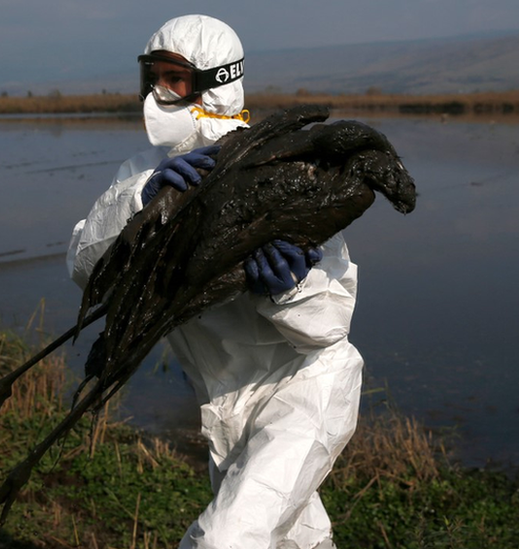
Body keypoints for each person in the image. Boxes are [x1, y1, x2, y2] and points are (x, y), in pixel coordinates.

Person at [66, 14, 363, 549]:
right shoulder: (142, 173)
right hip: (224, 405)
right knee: (298, 538)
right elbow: (85, 271)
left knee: (223, 541)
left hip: (304, 391)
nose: (158, 93)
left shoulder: (279, 169)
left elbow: (330, 328)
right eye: (152, 77)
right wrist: (139, 203)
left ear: (217, 84)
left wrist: (292, 289)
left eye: (174, 79)